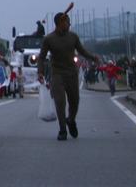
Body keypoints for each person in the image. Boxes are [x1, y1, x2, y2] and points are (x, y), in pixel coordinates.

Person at [37, 11, 101, 141]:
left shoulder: (73, 37)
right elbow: (41, 57)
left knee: (74, 102)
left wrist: (93, 57)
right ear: (60, 23)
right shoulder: (49, 39)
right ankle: (62, 130)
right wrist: (40, 72)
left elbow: (82, 51)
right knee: (60, 102)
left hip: (71, 73)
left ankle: (71, 120)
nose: (69, 24)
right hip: (57, 74)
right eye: (67, 22)